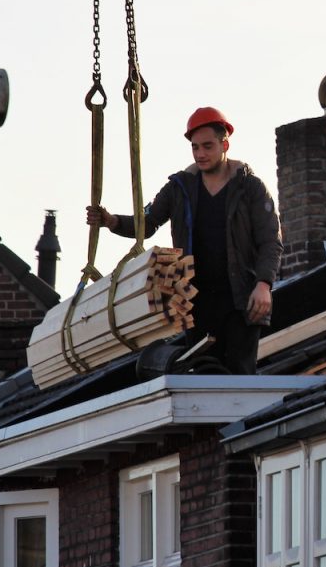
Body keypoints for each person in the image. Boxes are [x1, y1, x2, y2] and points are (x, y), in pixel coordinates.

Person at [87, 106, 282, 374]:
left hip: (240, 300)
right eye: (195, 147)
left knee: (240, 375)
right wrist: (113, 222)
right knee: (201, 373)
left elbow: (270, 241)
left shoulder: (250, 188)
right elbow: (148, 221)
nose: (200, 154)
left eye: (207, 146)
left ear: (224, 145)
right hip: (194, 301)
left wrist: (263, 285)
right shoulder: (180, 188)